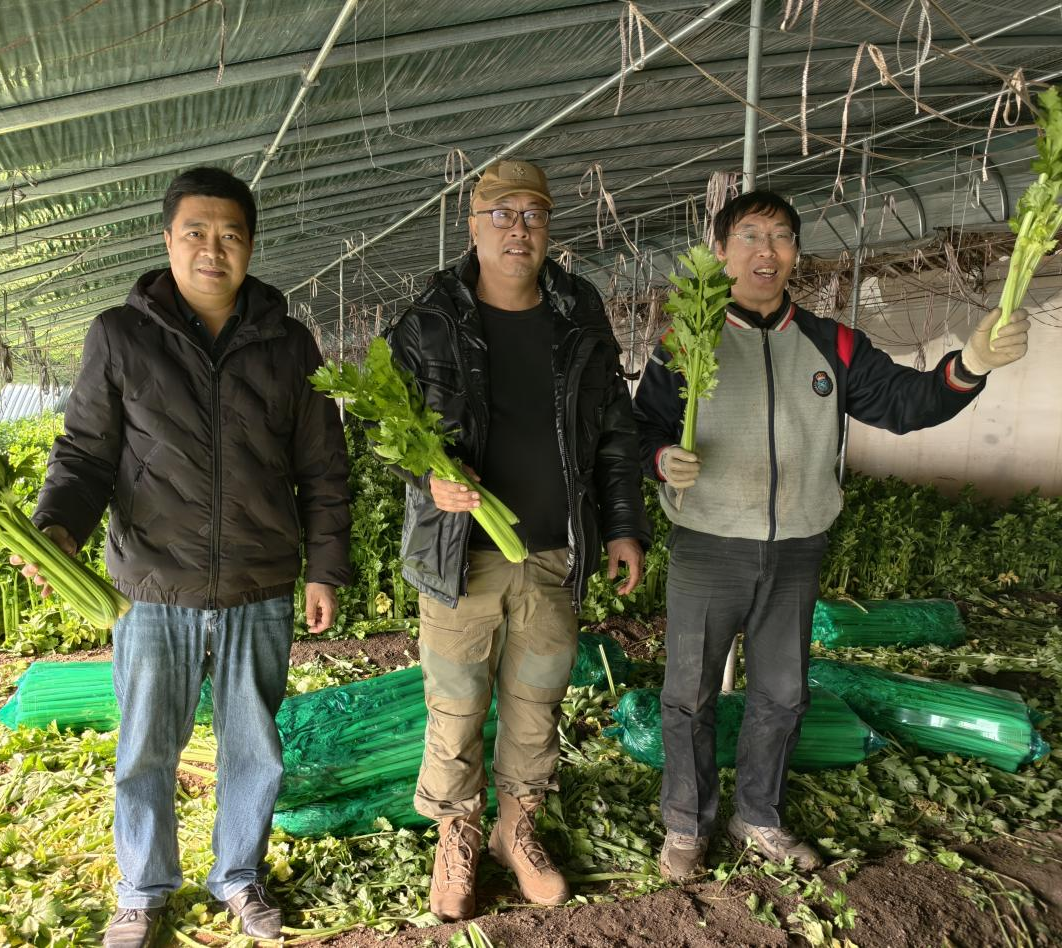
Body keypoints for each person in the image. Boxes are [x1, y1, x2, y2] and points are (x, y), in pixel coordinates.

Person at [632, 189, 1030, 882]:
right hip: (708, 545)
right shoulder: (683, 344)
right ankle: (687, 825)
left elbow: (906, 404)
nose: (767, 250)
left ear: (794, 254)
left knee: (783, 694)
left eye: (782, 237)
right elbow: (639, 432)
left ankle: (759, 816)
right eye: (750, 235)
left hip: (797, 548)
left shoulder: (832, 344)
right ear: (720, 253)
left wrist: (969, 365)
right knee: (688, 694)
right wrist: (662, 458)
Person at [13, 166, 351, 947]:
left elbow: (324, 467)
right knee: (145, 752)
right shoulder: (120, 336)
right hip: (151, 586)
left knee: (254, 751)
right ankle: (142, 890)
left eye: (230, 235)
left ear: (250, 246)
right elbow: (85, 454)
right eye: (196, 233)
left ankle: (239, 875)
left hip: (258, 583)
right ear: (167, 240)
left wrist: (326, 568)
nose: (212, 250)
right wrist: (57, 528)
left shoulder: (289, 343)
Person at [383, 159, 651, 921]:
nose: (518, 230)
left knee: (538, 703)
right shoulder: (429, 320)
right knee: (457, 706)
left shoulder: (578, 313)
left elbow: (614, 429)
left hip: (552, 552)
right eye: (501, 215)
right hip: (458, 557)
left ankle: (516, 828)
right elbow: (387, 429)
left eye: (533, 215)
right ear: (473, 225)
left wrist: (624, 525)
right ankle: (457, 834)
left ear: (548, 226)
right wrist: (427, 478)